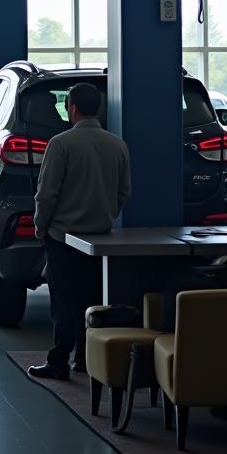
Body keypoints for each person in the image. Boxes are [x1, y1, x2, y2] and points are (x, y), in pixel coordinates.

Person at [29, 82, 132, 381]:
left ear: (72, 108)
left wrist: (40, 223)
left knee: (63, 302)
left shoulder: (61, 144)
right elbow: (124, 191)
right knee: (92, 299)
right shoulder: (117, 144)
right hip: (100, 237)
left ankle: (59, 361)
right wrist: (106, 214)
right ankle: (87, 360)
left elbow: (47, 192)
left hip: (62, 235)